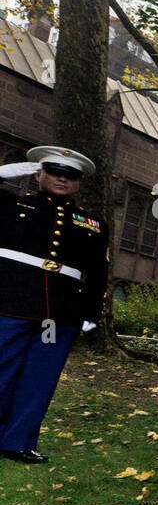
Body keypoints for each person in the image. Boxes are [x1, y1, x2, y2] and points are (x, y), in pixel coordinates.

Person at [0, 147, 107, 464]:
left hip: (61, 312)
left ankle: (18, 441)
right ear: (37, 174)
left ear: (78, 183)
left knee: (40, 377)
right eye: (55, 171)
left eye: (71, 175)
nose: (63, 178)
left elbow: (97, 271)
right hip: (11, 301)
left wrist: (90, 312)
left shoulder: (92, 223)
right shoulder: (11, 203)